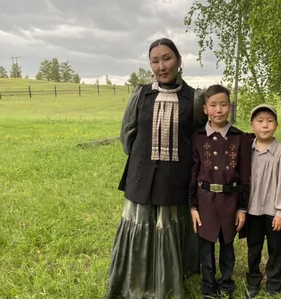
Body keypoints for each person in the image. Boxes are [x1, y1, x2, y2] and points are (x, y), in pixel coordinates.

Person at [107, 38, 207, 299]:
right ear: (150, 64)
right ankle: (135, 280)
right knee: (140, 223)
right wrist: (144, 159)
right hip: (141, 175)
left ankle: (167, 282)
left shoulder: (194, 98)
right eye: (155, 60)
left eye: (167, 58)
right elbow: (127, 134)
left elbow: (197, 138)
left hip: (176, 178)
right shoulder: (140, 94)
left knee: (167, 225)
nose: (161, 66)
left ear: (179, 60)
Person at [189, 84, 251, 299]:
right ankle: (208, 287)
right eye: (213, 105)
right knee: (205, 247)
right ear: (205, 109)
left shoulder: (239, 138)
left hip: (230, 202)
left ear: (230, 107)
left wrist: (242, 207)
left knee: (227, 246)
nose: (218, 110)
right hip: (204, 201)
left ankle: (226, 283)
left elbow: (244, 177)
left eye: (223, 105)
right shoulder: (197, 137)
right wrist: (192, 206)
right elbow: (193, 173)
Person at [244, 104, 281, 298]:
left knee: (275, 249)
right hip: (252, 210)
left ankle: (274, 283)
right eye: (260, 121)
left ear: (276, 125)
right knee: (254, 247)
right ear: (252, 125)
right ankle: (252, 280)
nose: (265, 126)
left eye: (269, 121)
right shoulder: (247, 151)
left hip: (273, 212)